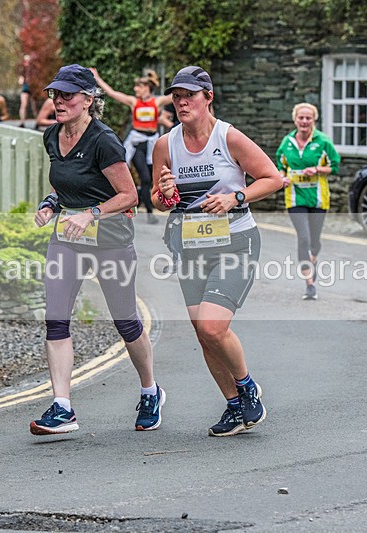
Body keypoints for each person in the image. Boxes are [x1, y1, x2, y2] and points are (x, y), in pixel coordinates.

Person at [30, 64, 164, 435]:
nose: (59, 101)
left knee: (125, 322)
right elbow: (64, 186)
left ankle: (150, 390)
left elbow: (128, 195)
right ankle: (62, 406)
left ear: (88, 100)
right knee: (55, 318)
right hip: (67, 239)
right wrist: (49, 205)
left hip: (110, 239)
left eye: (67, 95)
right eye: (55, 94)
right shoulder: (51, 137)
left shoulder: (104, 140)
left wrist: (91, 214)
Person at [151, 66, 282, 437]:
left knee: (213, 325)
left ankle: (246, 386)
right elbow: (159, 202)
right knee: (202, 332)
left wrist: (235, 197)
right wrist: (163, 193)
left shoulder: (229, 138)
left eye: (189, 95)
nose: (181, 102)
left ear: (208, 98)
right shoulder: (166, 144)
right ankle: (234, 406)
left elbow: (273, 178)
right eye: (176, 96)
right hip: (190, 246)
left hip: (235, 242)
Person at [275, 102, 341, 300]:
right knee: (303, 238)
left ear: (314, 120)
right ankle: (309, 284)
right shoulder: (286, 142)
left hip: (318, 198)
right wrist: (282, 178)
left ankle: (313, 258)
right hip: (295, 198)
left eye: (308, 118)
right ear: (295, 119)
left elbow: (335, 167)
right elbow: (281, 166)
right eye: (301, 118)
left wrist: (318, 170)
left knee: (314, 241)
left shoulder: (323, 141)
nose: (304, 121)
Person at [90, 67, 172, 224]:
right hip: (136, 143)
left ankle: (140, 204)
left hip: (152, 143)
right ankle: (148, 213)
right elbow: (113, 93)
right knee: (145, 178)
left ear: (146, 88)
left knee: (149, 180)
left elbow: (173, 97)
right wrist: (98, 78)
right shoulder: (134, 102)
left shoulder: (157, 102)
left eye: (138, 87)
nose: (135, 89)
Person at [18, 54, 36, 127]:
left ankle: (37, 121)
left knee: (34, 105)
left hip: (33, 88)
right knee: (23, 104)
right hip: (25, 87)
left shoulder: (33, 70)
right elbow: (20, 79)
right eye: (26, 61)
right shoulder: (23, 70)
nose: (27, 63)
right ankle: (22, 121)